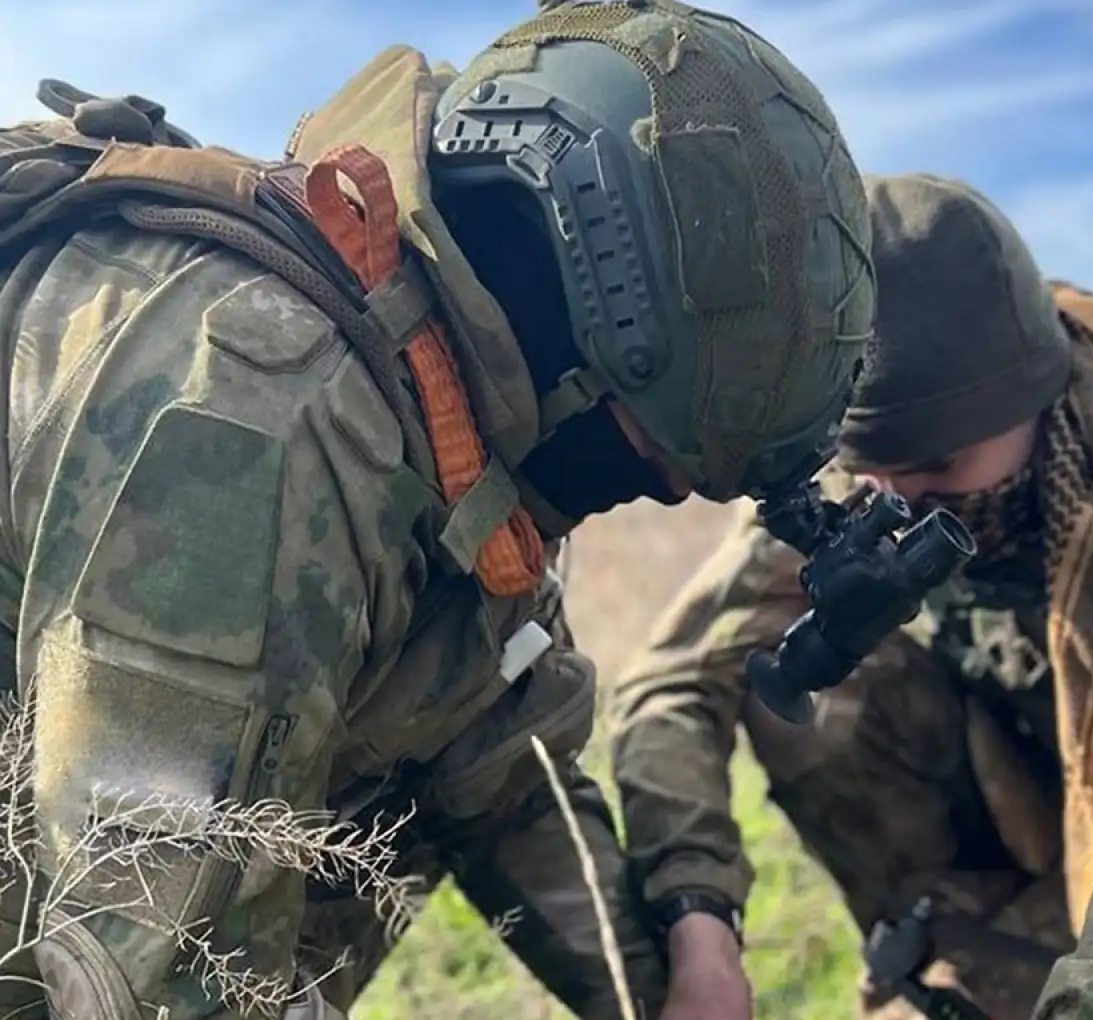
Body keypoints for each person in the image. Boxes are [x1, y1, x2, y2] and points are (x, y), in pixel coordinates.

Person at [0, 2, 875, 1018]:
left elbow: (497, 757)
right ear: (585, 321)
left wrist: (685, 959)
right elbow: (163, 973)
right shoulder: (262, 416)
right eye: (651, 456)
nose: (665, 493)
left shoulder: (446, 405)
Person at [609, 172, 1093, 1020]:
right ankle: (959, 941)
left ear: (1034, 400)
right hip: (1021, 786)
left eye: (939, 468)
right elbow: (675, 680)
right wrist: (700, 925)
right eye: (873, 471)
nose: (899, 503)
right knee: (808, 685)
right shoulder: (863, 478)